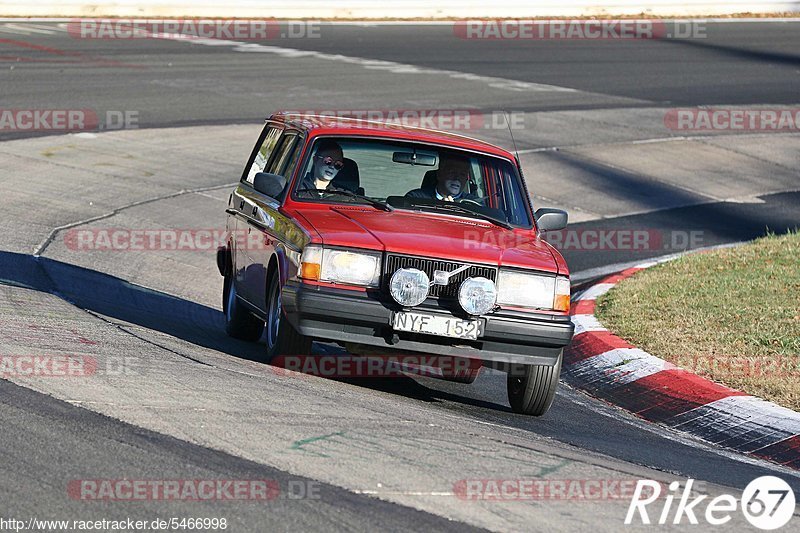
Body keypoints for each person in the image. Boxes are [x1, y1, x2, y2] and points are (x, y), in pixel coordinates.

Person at [405, 153, 480, 202]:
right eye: (452, 172)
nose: (457, 178)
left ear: (466, 180)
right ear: (439, 174)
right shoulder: (416, 198)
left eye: (462, 174)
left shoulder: (474, 203)